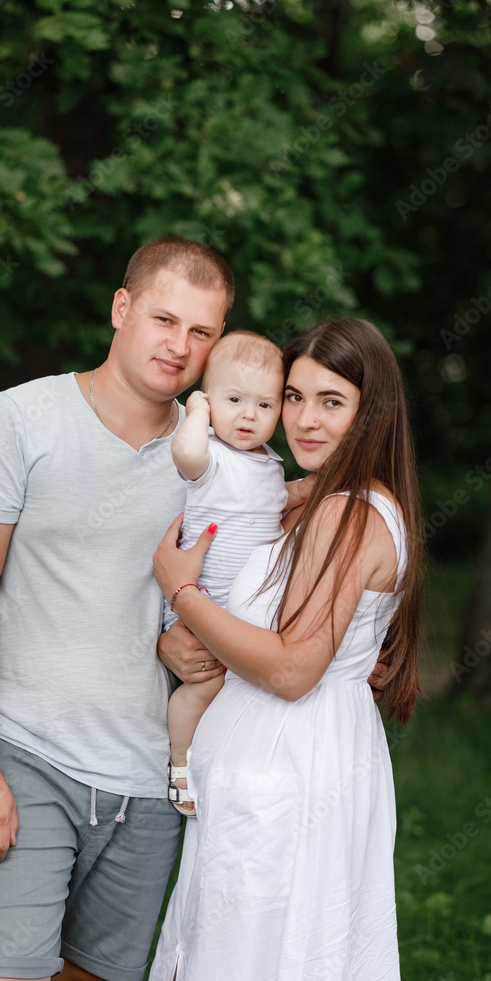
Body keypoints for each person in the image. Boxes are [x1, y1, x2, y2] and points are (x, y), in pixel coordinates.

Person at [0, 236, 231, 981]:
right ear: (120, 308)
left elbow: (245, 592)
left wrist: (182, 638)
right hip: (26, 754)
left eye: (201, 332)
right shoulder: (20, 420)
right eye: (165, 320)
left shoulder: (217, 461)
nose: (179, 346)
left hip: (147, 780)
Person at [150, 317, 423, 981]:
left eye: (331, 402)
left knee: (253, 960)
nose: (302, 420)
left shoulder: (345, 515)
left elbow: (293, 668)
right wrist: (176, 636)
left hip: (286, 765)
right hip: (287, 761)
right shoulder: (314, 501)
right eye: (293, 397)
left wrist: (180, 591)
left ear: (371, 414)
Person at [162, 331, 313, 816]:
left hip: (246, 615)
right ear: (208, 400)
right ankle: (180, 764)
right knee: (202, 687)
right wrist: (198, 415)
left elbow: (280, 498)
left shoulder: (269, 465)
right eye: (233, 400)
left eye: (265, 405)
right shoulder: (208, 456)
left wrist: (311, 488)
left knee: (239, 695)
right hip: (200, 605)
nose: (249, 415)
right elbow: (183, 455)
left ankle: (222, 769)